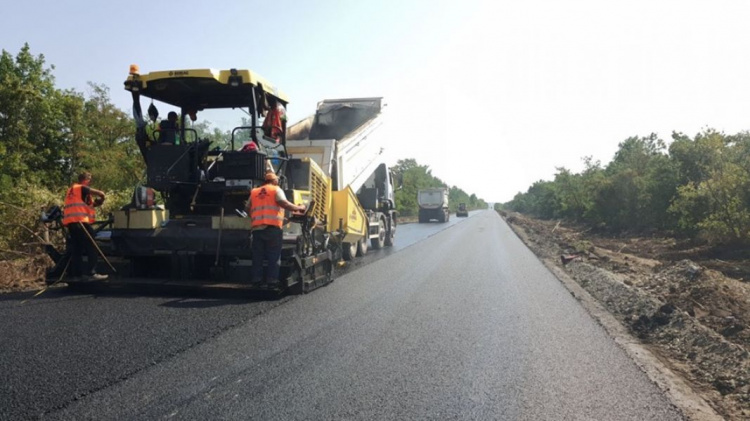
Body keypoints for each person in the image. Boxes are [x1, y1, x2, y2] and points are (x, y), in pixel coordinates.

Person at [248, 171, 306, 286]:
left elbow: (247, 208)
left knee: (257, 256)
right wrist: (299, 208)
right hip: (272, 231)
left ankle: (256, 280)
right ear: (274, 181)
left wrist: (255, 218)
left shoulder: (254, 192)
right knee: (273, 256)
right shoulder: (276, 190)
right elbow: (285, 204)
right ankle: (272, 280)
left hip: (257, 230)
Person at [62, 172, 108, 281]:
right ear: (85, 179)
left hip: (72, 223)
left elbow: (88, 206)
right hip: (80, 222)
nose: (90, 181)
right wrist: (102, 197)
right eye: (89, 179)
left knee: (77, 249)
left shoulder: (72, 191)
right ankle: (92, 273)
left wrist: (97, 203)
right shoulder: (81, 187)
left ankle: (77, 274)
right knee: (92, 246)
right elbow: (100, 193)